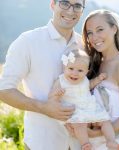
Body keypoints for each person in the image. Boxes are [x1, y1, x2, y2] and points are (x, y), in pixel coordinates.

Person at [0, 0, 86, 149]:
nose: (71, 11)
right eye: (65, 3)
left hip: (81, 143)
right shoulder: (27, 42)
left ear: (82, 10)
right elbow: (4, 90)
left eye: (77, 5)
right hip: (43, 143)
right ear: (52, 4)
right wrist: (43, 107)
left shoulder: (84, 44)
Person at [67, 9, 119, 150]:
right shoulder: (93, 64)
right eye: (90, 33)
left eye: (100, 30)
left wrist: (96, 134)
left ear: (114, 29)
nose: (94, 37)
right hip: (90, 144)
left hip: (114, 142)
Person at [49, 49, 119, 150]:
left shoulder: (84, 80)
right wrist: (56, 94)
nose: (75, 73)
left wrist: (98, 79)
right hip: (75, 111)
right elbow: (51, 97)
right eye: (71, 68)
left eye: (80, 70)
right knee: (79, 126)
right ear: (64, 67)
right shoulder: (61, 81)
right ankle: (85, 144)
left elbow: (89, 85)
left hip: (91, 107)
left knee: (105, 121)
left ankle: (111, 141)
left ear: (87, 72)